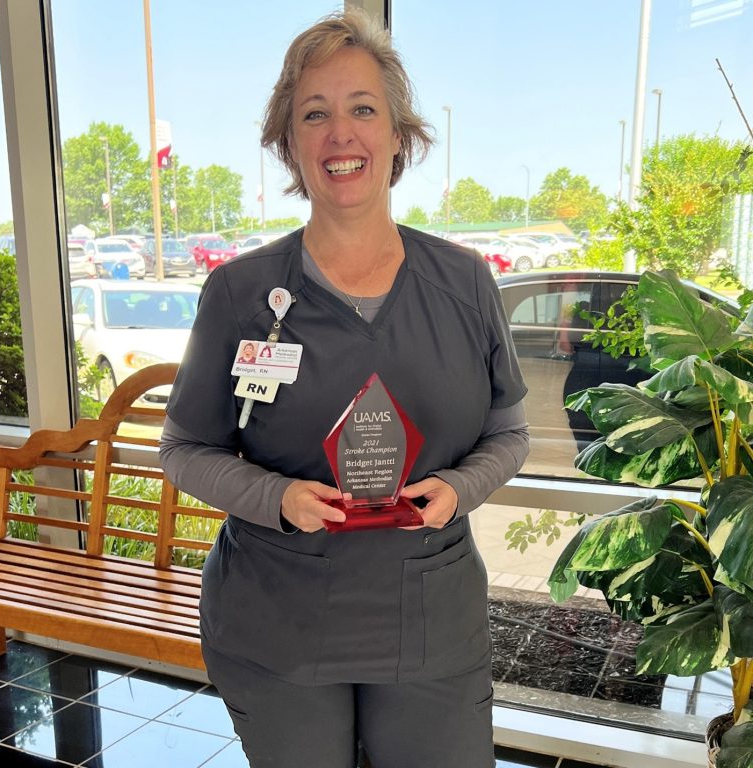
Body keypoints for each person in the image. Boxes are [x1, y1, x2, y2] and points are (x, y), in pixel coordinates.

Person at [160, 10, 529, 768]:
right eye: (314, 115)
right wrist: (279, 499)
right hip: (277, 620)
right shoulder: (240, 293)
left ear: (399, 135)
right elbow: (185, 449)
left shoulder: (463, 283)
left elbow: (509, 433)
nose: (341, 134)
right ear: (288, 144)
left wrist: (460, 488)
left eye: (363, 109)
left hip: (430, 619)